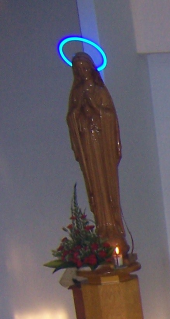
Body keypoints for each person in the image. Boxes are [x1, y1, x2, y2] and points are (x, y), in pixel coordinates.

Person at [66, 51, 128, 256]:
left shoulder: (100, 91)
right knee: (95, 186)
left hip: (102, 145)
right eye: (78, 70)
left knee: (107, 184)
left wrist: (95, 109)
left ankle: (113, 225)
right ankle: (103, 225)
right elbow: (71, 118)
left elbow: (111, 117)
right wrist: (78, 114)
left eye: (85, 68)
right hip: (88, 146)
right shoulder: (76, 93)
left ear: (91, 69)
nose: (83, 73)